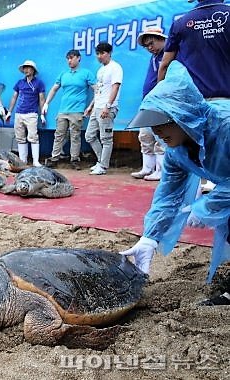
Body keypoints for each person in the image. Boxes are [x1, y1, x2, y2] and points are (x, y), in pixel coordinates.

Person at [120, 61, 230, 306]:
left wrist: (209, 206)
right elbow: (168, 195)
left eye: (162, 122)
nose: (157, 130)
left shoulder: (225, 126)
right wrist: (150, 237)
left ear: (183, 116)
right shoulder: (176, 150)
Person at [158, 0, 230, 192]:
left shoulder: (182, 22)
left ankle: (198, 193)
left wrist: (161, 101)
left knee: (192, 156)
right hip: (227, 104)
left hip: (194, 105)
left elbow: (165, 64)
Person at [42, 50, 96, 170]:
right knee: (59, 135)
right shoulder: (63, 74)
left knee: (75, 136)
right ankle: (54, 158)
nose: (69, 60)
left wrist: (91, 106)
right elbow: (54, 89)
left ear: (78, 58)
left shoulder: (86, 73)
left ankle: (75, 159)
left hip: (77, 110)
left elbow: (96, 90)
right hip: (63, 110)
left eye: (72, 58)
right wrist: (46, 103)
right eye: (68, 58)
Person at [130, 28, 167, 181]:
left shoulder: (168, 55)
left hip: (160, 102)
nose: (149, 48)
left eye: (151, 43)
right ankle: (147, 168)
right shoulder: (154, 57)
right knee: (145, 135)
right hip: (148, 101)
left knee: (160, 137)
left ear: (161, 39)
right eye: (146, 46)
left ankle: (160, 170)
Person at [84, 42, 123, 175]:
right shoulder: (100, 70)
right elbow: (99, 90)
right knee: (89, 136)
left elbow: (115, 87)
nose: (99, 56)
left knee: (106, 138)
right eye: (98, 53)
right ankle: (101, 161)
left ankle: (103, 166)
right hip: (97, 107)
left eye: (102, 53)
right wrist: (91, 106)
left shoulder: (115, 67)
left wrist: (108, 106)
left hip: (107, 108)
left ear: (109, 53)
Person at [5, 59, 45, 167]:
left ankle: (36, 161)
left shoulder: (38, 83)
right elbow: (14, 97)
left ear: (33, 70)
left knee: (33, 137)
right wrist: (9, 112)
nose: (26, 70)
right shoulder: (20, 82)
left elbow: (41, 99)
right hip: (19, 113)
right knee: (20, 138)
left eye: (28, 67)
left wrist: (42, 115)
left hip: (32, 114)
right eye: (25, 68)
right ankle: (23, 161)